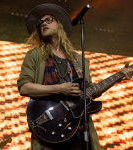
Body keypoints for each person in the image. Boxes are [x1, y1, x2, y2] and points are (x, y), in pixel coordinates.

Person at [17, 3, 133, 150]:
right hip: (49, 130)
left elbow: (91, 91)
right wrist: (60, 89)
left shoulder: (79, 60)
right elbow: (24, 88)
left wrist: (119, 76)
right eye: (40, 23)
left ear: (60, 25)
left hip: (79, 130)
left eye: (48, 20)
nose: (43, 24)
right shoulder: (35, 55)